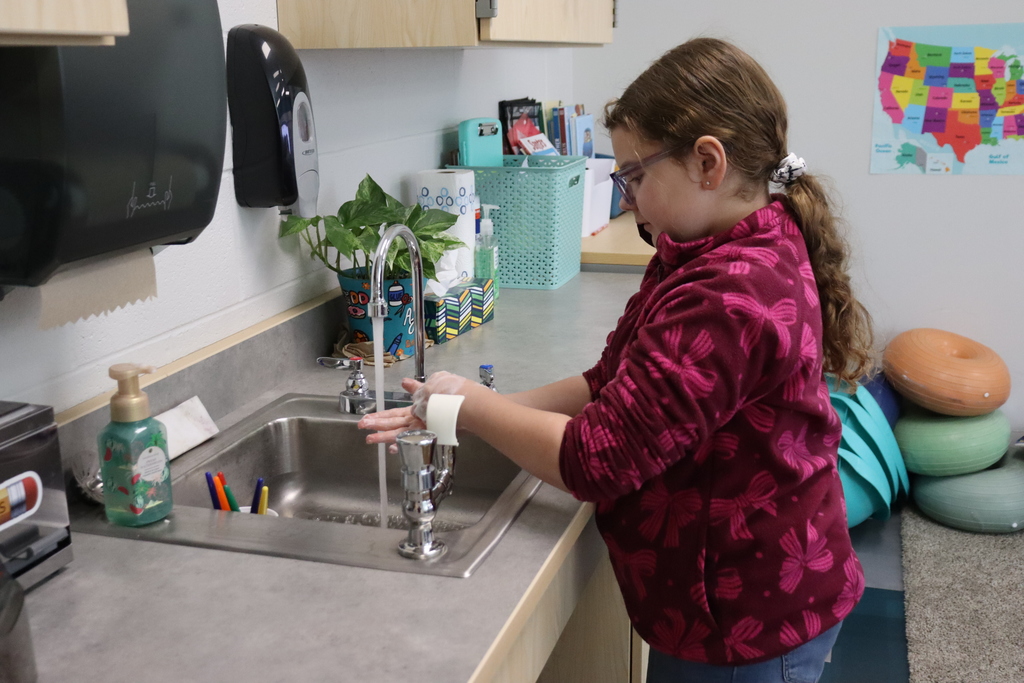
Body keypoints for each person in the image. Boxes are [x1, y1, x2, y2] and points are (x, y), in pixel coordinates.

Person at [359, 37, 874, 683]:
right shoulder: (705, 249)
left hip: (745, 619)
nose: (627, 195)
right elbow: (611, 384)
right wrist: (474, 408)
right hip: (737, 596)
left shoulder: (731, 293)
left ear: (708, 162)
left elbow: (596, 458)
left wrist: (468, 405)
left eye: (634, 174)